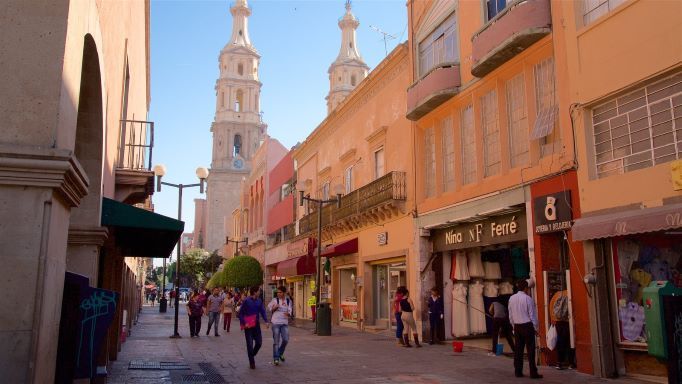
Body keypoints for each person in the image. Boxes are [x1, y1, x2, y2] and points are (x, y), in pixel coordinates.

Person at [508, 279, 542, 379]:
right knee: (531, 351)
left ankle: (518, 371)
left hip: (517, 326)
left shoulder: (511, 298)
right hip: (527, 326)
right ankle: (533, 372)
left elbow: (511, 315)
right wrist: (536, 328)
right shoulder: (528, 299)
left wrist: (514, 327)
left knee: (518, 350)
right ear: (525, 288)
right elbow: (532, 315)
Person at [238, 286, 269, 369]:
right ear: (255, 292)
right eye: (259, 291)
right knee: (249, 344)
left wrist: (266, 321)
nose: (260, 292)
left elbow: (262, 311)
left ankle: (252, 354)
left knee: (259, 343)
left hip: (256, 324)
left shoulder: (259, 301)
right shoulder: (246, 301)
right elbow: (240, 314)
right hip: (248, 324)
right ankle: (252, 362)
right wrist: (244, 323)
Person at [267, 286, 293, 366]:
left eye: (280, 292)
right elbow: (269, 308)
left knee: (285, 339)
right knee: (276, 341)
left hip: (284, 323)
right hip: (276, 323)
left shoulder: (288, 301)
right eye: (277, 292)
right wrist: (274, 307)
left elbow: (290, 311)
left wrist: (288, 314)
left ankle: (280, 352)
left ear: (284, 293)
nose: (278, 294)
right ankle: (276, 358)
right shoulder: (275, 300)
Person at [549, 289, 574, 370]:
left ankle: (559, 362)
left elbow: (551, 306)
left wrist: (553, 319)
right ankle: (571, 363)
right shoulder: (570, 293)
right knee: (570, 342)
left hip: (558, 322)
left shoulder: (557, 294)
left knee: (560, 341)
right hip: (568, 321)